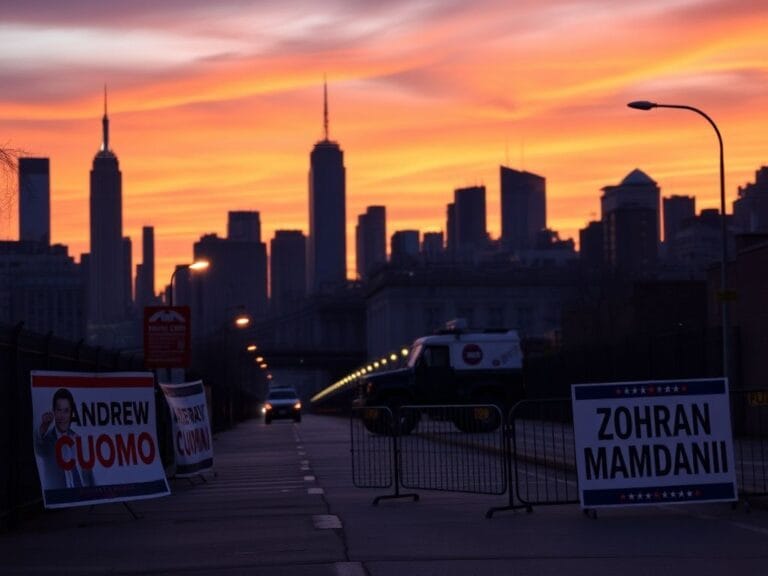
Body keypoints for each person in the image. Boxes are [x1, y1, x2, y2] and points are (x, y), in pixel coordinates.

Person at [35, 388, 94, 489]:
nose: (62, 416)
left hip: (82, 498)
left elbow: (89, 475)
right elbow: (39, 447)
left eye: (66, 411)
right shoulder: (48, 440)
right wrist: (43, 427)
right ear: (54, 411)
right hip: (58, 498)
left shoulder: (78, 439)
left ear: (71, 413)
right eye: (59, 410)